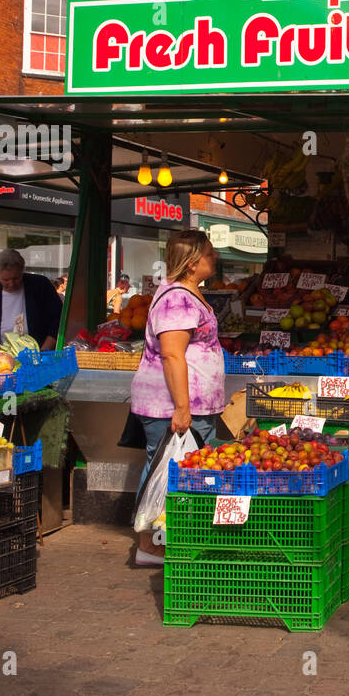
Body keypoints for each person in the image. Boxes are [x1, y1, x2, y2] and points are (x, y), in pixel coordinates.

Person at [129, 230, 224, 564]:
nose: (215, 259)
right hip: (174, 405)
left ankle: (173, 541)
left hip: (193, 404)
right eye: (210, 254)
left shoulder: (187, 293)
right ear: (193, 261)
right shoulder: (176, 299)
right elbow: (172, 354)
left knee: (181, 471)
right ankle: (151, 546)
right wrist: (182, 407)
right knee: (165, 472)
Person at [0, 249, 62, 349]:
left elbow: (57, 321)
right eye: (5, 280)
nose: (11, 284)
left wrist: (43, 351)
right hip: (0, 353)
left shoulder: (40, 285)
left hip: (39, 350)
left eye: (16, 278)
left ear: (22, 271)